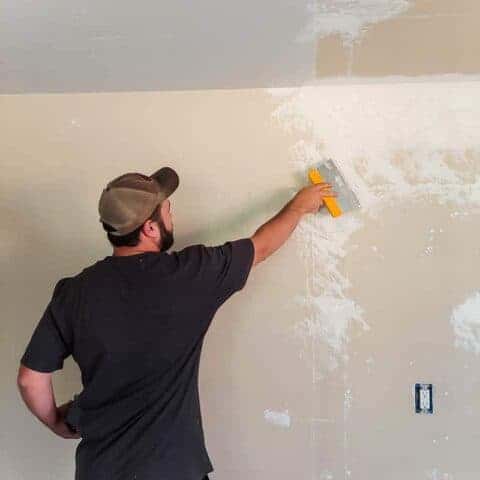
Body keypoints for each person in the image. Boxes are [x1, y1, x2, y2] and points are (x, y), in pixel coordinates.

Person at [17, 166, 335, 480]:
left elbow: (30, 380)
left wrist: (57, 424)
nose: (173, 217)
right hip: (172, 469)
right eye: (167, 211)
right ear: (150, 229)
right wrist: (299, 206)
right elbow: (261, 247)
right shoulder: (189, 275)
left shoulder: (74, 292)